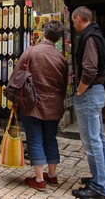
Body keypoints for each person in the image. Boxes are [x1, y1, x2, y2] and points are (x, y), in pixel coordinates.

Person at [12, 20, 68, 191]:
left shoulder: (31, 52)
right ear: (58, 39)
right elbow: (64, 84)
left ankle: (39, 179)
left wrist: (14, 100)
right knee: (50, 139)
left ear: (44, 33)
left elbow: (16, 76)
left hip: (32, 104)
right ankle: (51, 176)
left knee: (35, 140)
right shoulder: (61, 58)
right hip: (54, 105)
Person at [71, 6, 105, 199]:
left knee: (92, 141)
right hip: (97, 91)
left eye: (73, 21)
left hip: (89, 93)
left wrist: (79, 91)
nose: (74, 25)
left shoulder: (88, 38)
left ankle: (98, 187)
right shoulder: (98, 35)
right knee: (100, 138)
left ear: (79, 18)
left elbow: (89, 69)